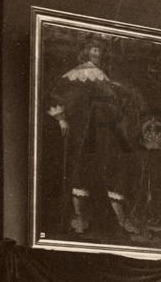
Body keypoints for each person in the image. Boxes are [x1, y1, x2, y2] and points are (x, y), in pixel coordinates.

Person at [46, 34, 143, 238]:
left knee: (111, 168)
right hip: (84, 131)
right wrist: (61, 119)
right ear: (86, 52)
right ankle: (79, 217)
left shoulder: (102, 75)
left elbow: (111, 99)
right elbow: (56, 95)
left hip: (104, 132)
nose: (97, 54)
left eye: (99, 50)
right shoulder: (79, 73)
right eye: (94, 50)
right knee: (80, 169)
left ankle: (118, 218)